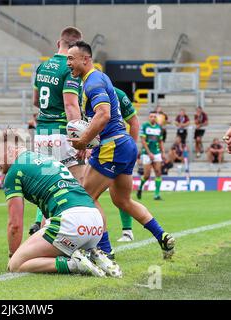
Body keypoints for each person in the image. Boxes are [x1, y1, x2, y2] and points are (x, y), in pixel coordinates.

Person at [66, 41, 175, 260]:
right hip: (123, 144)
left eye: (71, 58)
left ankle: (105, 251)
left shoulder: (93, 81)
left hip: (112, 146)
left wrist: (83, 141)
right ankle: (162, 236)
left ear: (85, 59)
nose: (68, 63)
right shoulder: (100, 78)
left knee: (86, 197)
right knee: (123, 201)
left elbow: (104, 114)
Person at [0, 128, 121, 277]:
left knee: (16, 264)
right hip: (95, 223)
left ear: (11, 150)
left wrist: (13, 255)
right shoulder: (46, 159)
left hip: (71, 223)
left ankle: (73, 264)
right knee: (45, 251)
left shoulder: (14, 173)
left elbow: (15, 224)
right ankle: (92, 255)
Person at [30, 26, 84, 235]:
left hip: (42, 135)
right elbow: (71, 106)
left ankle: (43, 238)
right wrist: (80, 139)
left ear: (58, 43)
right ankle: (78, 239)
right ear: (76, 47)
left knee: (49, 191)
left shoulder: (43, 67)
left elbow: (36, 101)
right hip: (62, 134)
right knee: (78, 189)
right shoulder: (70, 69)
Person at [113, 88, 140, 243]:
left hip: (114, 148)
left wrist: (132, 147)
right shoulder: (77, 91)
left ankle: (127, 231)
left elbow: (134, 121)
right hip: (91, 148)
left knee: (120, 196)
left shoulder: (119, 94)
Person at [136, 110, 165, 201]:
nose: (153, 118)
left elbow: (160, 141)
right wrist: (149, 153)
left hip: (156, 152)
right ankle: (140, 187)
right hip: (146, 153)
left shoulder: (159, 128)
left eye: (154, 116)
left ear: (156, 118)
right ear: (149, 117)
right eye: (151, 116)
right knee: (147, 175)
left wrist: (163, 152)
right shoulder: (145, 126)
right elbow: (143, 141)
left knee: (158, 172)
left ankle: (156, 194)